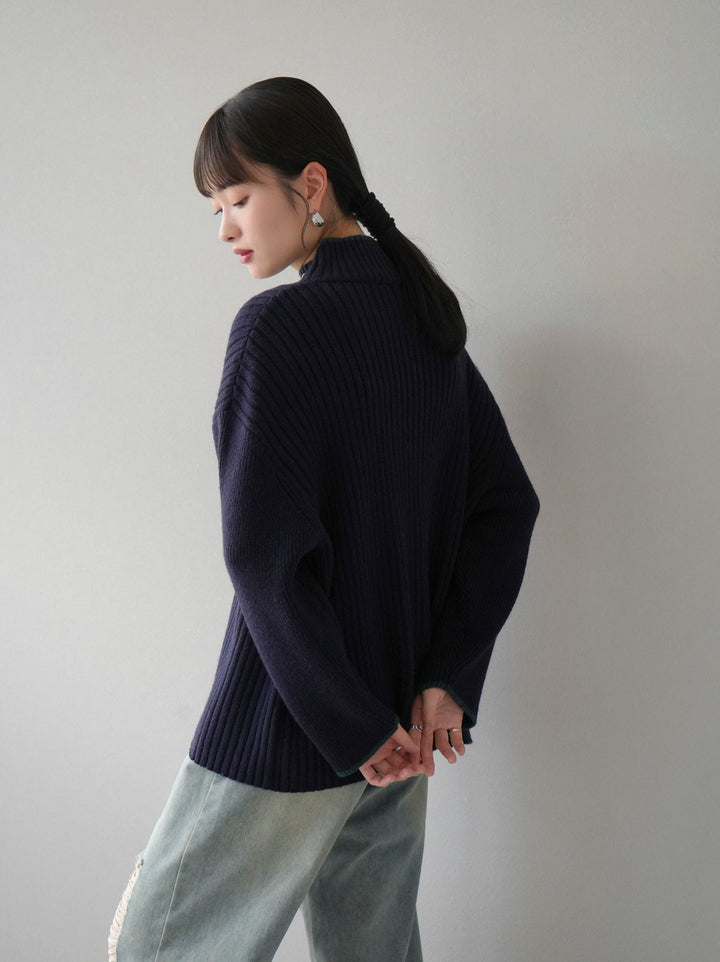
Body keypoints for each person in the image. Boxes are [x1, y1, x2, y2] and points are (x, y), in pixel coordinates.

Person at [108, 77, 539, 962]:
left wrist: (348, 723)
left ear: (310, 184)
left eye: (237, 198)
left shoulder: (277, 331)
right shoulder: (427, 328)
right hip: (396, 728)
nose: (225, 228)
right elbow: (506, 507)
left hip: (297, 724)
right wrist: (445, 678)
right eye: (216, 208)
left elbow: (264, 562)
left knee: (156, 946)